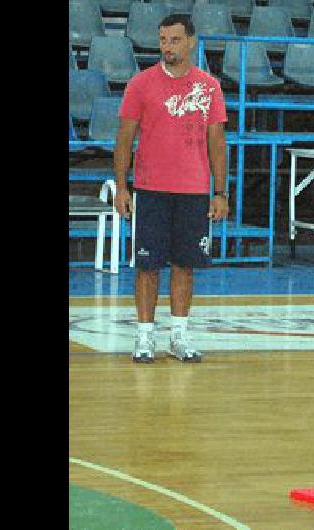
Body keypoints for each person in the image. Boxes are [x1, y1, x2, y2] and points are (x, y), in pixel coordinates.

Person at [113, 14, 228, 363]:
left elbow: (217, 141)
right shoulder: (140, 84)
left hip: (193, 190)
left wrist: (220, 192)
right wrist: (121, 186)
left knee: (185, 264)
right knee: (147, 266)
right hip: (151, 188)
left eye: (174, 40)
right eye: (163, 40)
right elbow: (124, 139)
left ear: (191, 41)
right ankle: (144, 337)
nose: (167, 47)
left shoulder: (209, 86)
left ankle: (179, 336)